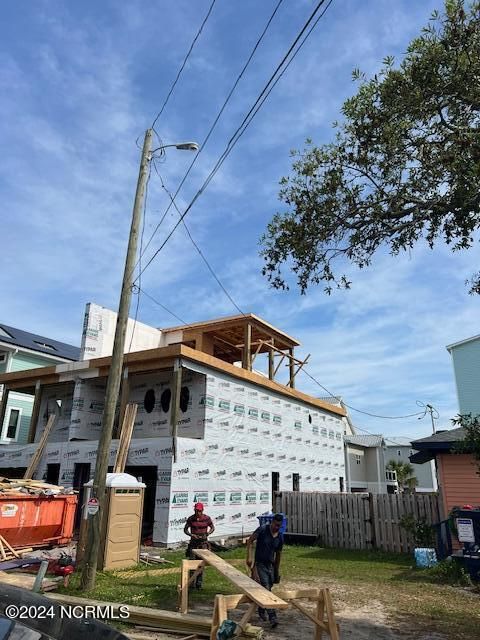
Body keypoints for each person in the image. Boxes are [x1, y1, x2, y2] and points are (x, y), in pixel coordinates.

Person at [246, 513, 284, 628]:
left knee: (268, 587)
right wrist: (249, 557)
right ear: (272, 522)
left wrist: (276, 571)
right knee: (266, 588)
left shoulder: (280, 537)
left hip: (270, 565)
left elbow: (278, 555)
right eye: (275, 525)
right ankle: (273, 617)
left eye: (279, 526)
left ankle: (261, 609)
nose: (276, 527)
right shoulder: (263, 529)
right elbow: (250, 541)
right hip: (259, 564)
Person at [183, 502, 215, 589]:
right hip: (193, 543)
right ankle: (190, 583)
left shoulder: (207, 518)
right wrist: (191, 535)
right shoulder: (191, 519)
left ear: (202, 510)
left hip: (203, 543)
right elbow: (185, 530)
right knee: (192, 563)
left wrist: (208, 533)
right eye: (196, 511)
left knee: (201, 564)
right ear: (194, 510)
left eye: (199, 511)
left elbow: (212, 528)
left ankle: (199, 584)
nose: (198, 512)